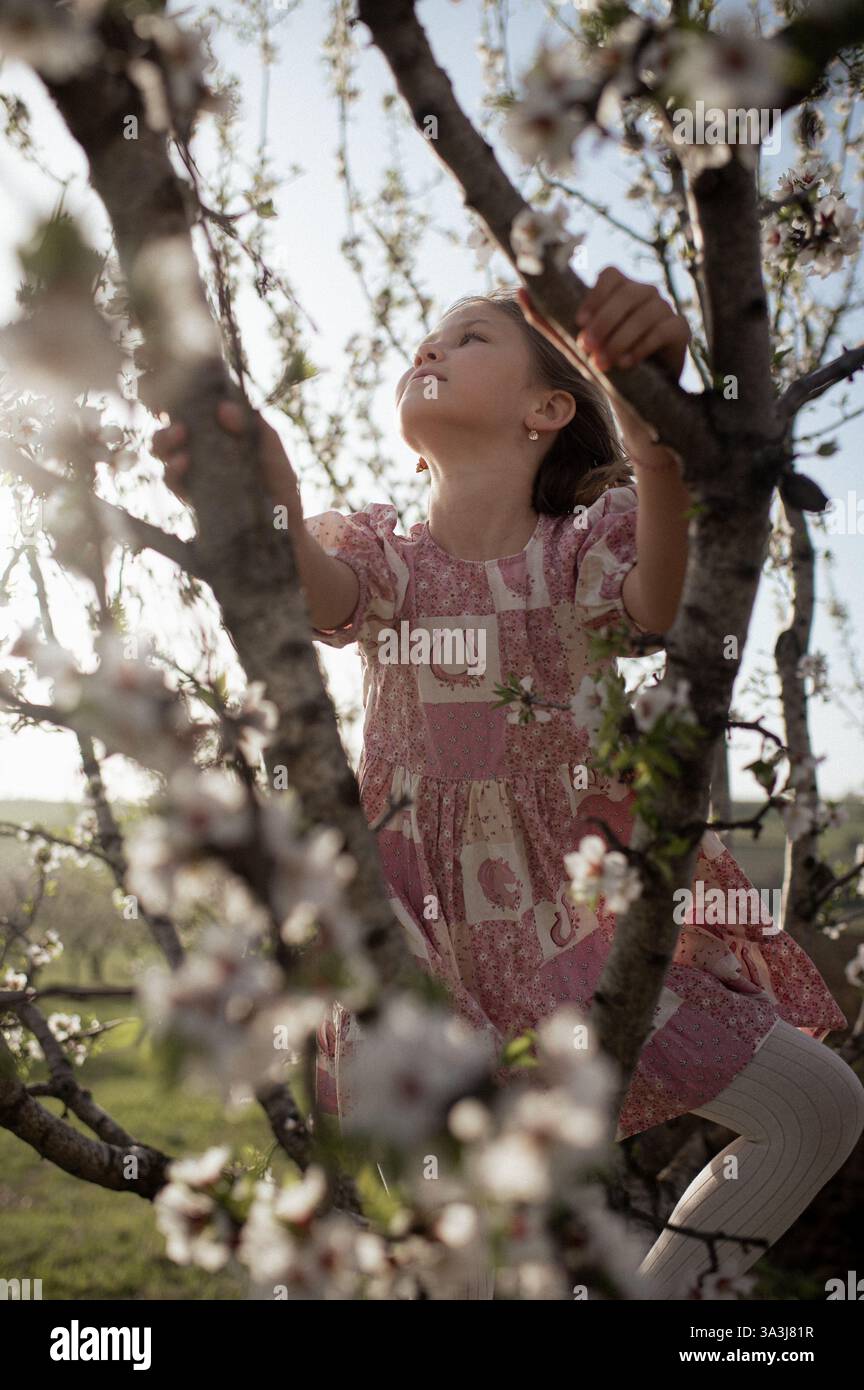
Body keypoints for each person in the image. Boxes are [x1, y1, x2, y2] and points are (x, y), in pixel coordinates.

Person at [153, 267, 863, 1300]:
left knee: (819, 1108)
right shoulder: (388, 557)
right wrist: (273, 501)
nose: (430, 348)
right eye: (428, 336)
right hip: (427, 953)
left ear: (548, 408)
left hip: (579, 933)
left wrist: (652, 429)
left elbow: (658, 602)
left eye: (470, 337)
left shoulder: (579, 552)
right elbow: (321, 591)